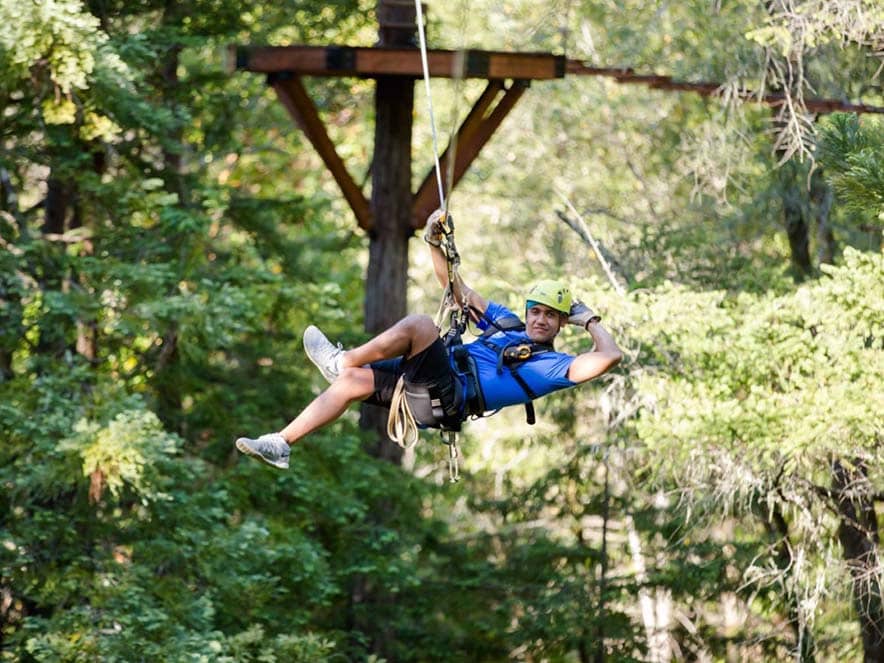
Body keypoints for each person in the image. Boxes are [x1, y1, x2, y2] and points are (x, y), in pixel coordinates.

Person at [235, 211, 622, 469]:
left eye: (550, 316)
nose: (540, 320)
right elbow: (456, 289)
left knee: (420, 325)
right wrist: (434, 242)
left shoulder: (550, 367)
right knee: (351, 383)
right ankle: (282, 442)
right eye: (536, 311)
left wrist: (588, 319)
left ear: (560, 324)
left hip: (447, 397)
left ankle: (341, 358)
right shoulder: (506, 323)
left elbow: (609, 356)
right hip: (431, 382)